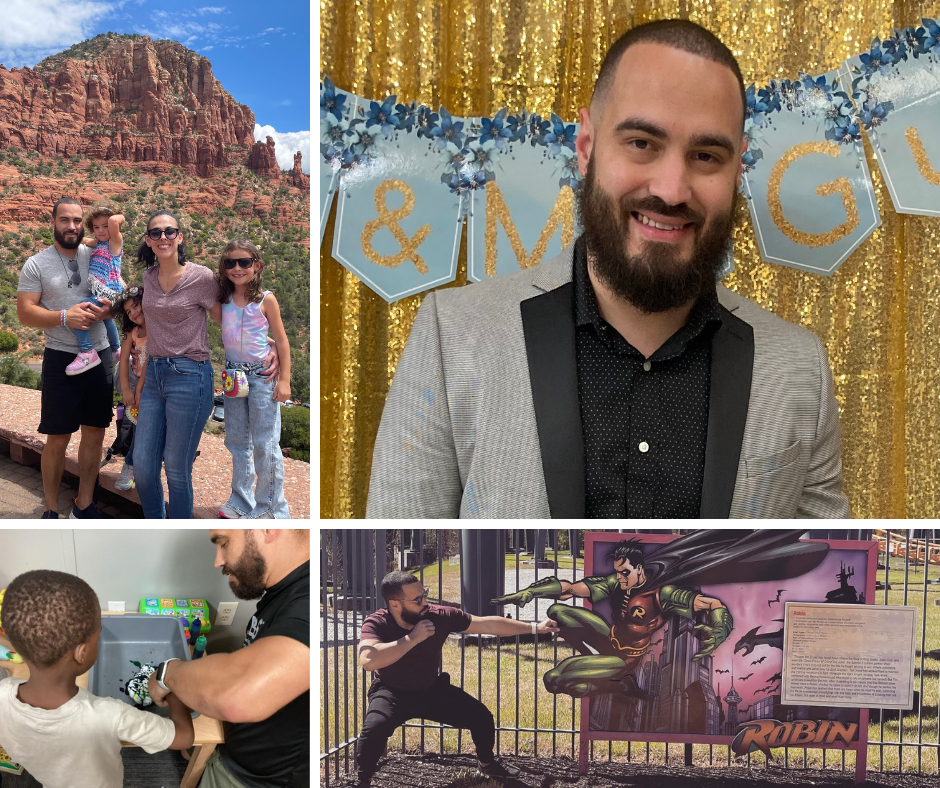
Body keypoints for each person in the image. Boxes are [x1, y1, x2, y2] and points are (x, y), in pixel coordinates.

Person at [367, 19, 851, 520]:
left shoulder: (800, 371)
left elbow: (822, 557)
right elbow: (398, 553)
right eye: (642, 143)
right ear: (586, 147)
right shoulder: (452, 336)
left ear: (737, 170)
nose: (671, 189)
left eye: (706, 156)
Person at [132, 210, 280, 518]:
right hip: (155, 375)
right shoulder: (148, 277)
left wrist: (271, 345)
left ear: (179, 237)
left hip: (189, 377)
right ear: (148, 240)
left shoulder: (200, 277)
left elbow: (232, 318)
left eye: (169, 231)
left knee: (176, 469)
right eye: (156, 233)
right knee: (143, 468)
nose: (163, 237)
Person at [353, 571, 560, 787]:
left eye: (424, 595)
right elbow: (369, 660)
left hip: (430, 690)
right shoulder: (377, 622)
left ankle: (487, 763)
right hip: (391, 691)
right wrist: (413, 638)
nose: (425, 602)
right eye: (417, 599)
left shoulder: (439, 615)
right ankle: (362, 779)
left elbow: (487, 625)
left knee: (481, 717)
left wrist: (535, 628)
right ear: (395, 604)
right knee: (374, 728)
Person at [0, 570, 194, 788]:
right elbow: (184, 737)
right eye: (98, 634)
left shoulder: (2, 693)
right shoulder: (110, 715)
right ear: (82, 653)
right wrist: (171, 685)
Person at [146, 529, 310, 787]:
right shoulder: (282, 590)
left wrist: (168, 672)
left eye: (224, 543)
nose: (218, 561)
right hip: (236, 751)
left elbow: (238, 696)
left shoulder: (306, 603)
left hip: (254, 780)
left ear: (268, 529)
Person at [16, 197, 115, 519]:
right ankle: (50, 509)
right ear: (53, 222)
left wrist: (108, 310)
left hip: (99, 354)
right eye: (64, 220)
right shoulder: (36, 263)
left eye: (76, 220)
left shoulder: (97, 253)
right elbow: (25, 312)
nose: (71, 226)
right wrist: (64, 316)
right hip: (60, 358)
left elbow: (115, 292)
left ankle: (84, 505)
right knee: (57, 437)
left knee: (95, 432)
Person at [216, 240, 292, 519]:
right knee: (237, 440)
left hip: (261, 376)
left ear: (256, 265)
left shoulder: (266, 300)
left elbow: (282, 340)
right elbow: (237, 329)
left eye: (244, 262)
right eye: (230, 263)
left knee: (265, 442)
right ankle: (241, 500)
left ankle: (272, 508)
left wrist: (285, 379)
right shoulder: (223, 300)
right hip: (233, 375)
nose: (237, 268)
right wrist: (265, 341)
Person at [67, 199, 125, 375]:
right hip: (108, 292)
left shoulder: (115, 243)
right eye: (96, 227)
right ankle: (117, 349)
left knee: (78, 314)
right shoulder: (99, 243)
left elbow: (114, 221)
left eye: (105, 226)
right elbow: (84, 240)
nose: (100, 230)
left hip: (108, 291)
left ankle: (87, 352)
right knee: (107, 319)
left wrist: (118, 216)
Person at [112, 286, 148, 490]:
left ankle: (134, 463)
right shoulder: (132, 331)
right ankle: (131, 464)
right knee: (136, 423)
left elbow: (151, 362)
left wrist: (139, 390)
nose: (133, 313)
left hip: (150, 384)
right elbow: (124, 359)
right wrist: (126, 390)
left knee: (145, 425)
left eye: (136, 306)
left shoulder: (157, 328)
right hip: (136, 382)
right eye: (128, 311)